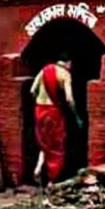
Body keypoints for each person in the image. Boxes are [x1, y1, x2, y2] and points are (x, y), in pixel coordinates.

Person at [31, 52, 83, 190]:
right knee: (56, 145)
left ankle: (38, 168)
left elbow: (32, 90)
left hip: (39, 109)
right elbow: (69, 99)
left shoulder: (44, 70)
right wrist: (77, 116)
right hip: (53, 112)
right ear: (68, 63)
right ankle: (52, 181)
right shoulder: (65, 74)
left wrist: (39, 102)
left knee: (44, 142)